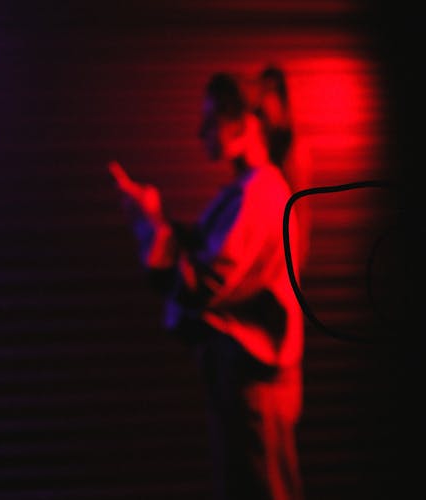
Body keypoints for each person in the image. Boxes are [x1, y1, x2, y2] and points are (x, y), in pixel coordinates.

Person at [108, 72, 305, 500]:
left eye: (211, 119)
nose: (200, 132)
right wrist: (154, 219)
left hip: (256, 384)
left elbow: (201, 285)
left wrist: (153, 232)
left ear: (248, 124)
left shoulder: (260, 194)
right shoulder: (246, 191)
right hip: (243, 378)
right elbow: (201, 250)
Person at [252, 64, 312, 273]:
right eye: (262, 90)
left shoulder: (293, 147)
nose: (264, 99)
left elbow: (301, 205)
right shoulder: (260, 143)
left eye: (270, 91)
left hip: (282, 242)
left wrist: (298, 255)